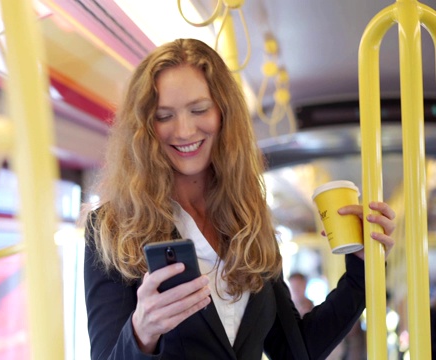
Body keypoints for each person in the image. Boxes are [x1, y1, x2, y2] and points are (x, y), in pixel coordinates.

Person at [81, 38, 396, 359]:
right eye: (164, 116)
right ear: (145, 127)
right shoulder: (114, 227)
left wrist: (361, 270)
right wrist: (141, 330)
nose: (185, 130)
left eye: (199, 109)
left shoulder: (248, 221)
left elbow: (295, 350)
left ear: (223, 114)